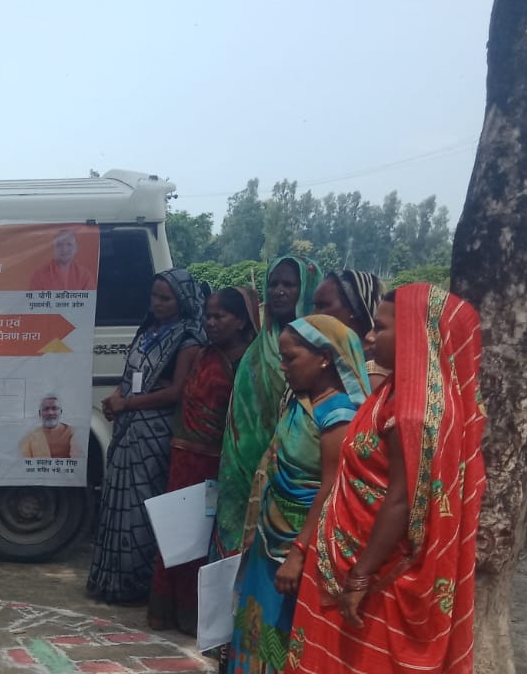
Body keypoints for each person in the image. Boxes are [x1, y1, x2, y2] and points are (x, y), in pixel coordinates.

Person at [264, 286, 485, 674]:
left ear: (415, 338)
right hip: (345, 559)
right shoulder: (395, 393)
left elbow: (402, 501)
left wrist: (361, 575)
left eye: (382, 327)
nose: (369, 335)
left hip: (380, 575)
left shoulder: (416, 411)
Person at [221, 316, 368, 674]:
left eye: (290, 358)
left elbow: (331, 489)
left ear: (324, 359)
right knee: (257, 623)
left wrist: (299, 553)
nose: (283, 366)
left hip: (298, 543)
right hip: (270, 537)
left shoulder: (337, 416)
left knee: (283, 635)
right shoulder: (299, 403)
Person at [87, 269, 205, 604]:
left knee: (141, 505)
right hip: (129, 425)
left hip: (154, 431)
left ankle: (138, 584)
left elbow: (177, 392)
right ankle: (112, 580)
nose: (158, 303)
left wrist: (128, 403)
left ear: (182, 300)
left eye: (166, 298)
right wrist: (116, 397)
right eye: (154, 296)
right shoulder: (149, 329)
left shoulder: (188, 338)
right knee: (117, 499)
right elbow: (131, 375)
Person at [146, 286, 259, 633]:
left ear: (241, 321)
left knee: (207, 541)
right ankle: (169, 611)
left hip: (222, 464)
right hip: (184, 460)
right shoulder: (202, 355)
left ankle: (198, 618)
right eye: (207, 316)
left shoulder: (251, 362)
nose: (210, 322)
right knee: (177, 536)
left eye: (219, 316)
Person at [213, 255, 321, 557]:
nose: (279, 291)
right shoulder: (257, 349)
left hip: (292, 477)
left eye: (289, 284)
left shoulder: (320, 352)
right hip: (241, 469)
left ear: (307, 289)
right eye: (273, 284)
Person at [315, 268, 386, 388]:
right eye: (316, 306)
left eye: (323, 305)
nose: (314, 315)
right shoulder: (333, 355)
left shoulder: (373, 371)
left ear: (353, 309)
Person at [29, 228, 97, 291]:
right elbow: (33, 299)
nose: (64, 249)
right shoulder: (39, 275)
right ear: (53, 248)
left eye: (69, 244)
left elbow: (90, 299)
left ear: (75, 248)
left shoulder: (84, 275)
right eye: (59, 245)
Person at [18, 394, 75, 459]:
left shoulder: (72, 433)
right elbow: (23, 462)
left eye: (54, 408)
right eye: (46, 409)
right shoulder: (29, 437)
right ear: (40, 413)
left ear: (61, 412)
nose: (50, 413)